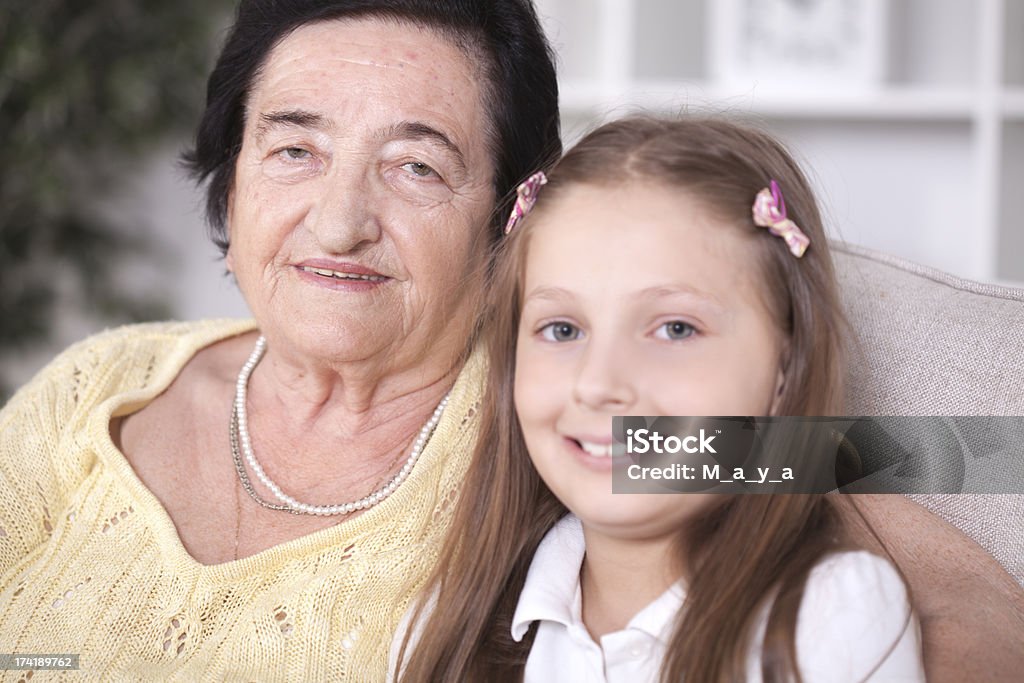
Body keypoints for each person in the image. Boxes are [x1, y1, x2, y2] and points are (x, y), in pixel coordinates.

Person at [0, 0, 559, 679]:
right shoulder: (99, 383)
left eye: (416, 167)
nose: (338, 224)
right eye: (295, 151)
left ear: (511, 215)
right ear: (232, 178)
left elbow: (728, 456)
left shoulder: (563, 421)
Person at [389, 115, 932, 681]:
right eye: (563, 330)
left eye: (675, 329)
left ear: (786, 365)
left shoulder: (829, 615)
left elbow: (973, 455)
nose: (599, 383)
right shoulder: (445, 625)